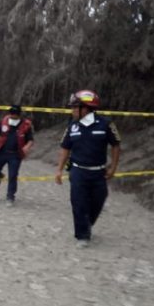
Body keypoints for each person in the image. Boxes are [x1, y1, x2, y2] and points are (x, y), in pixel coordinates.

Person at [55, 90, 121, 248]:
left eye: (75, 107)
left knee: (99, 199)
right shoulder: (72, 126)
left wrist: (113, 167)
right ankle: (82, 235)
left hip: (99, 172)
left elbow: (116, 146)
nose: (72, 110)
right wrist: (59, 169)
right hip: (78, 171)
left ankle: (87, 223)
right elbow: (65, 148)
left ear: (86, 108)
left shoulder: (105, 124)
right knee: (78, 203)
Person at [0, 105, 34, 207]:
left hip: (16, 155)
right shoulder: (3, 122)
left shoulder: (26, 125)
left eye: (14, 114)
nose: (12, 116)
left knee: (13, 175)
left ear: (19, 114)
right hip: (2, 151)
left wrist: (27, 147)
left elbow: (30, 140)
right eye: (11, 114)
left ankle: (10, 196)